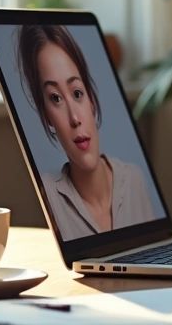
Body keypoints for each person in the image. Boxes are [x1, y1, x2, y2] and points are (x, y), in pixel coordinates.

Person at [16, 25, 155, 240]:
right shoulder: (49, 197)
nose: (74, 118)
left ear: (91, 99)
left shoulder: (133, 179)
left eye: (77, 93)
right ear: (46, 116)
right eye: (56, 98)